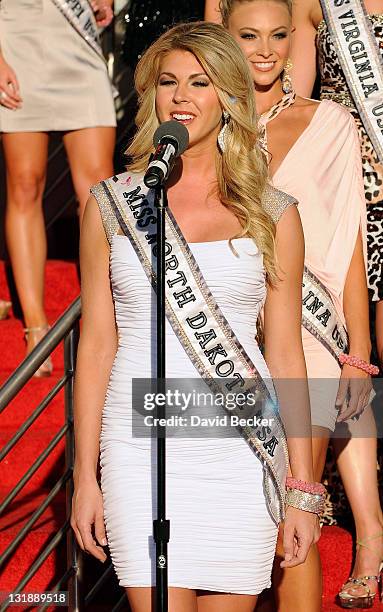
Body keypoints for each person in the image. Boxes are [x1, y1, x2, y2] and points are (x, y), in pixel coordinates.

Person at [71, 21, 321, 612]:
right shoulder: (113, 204)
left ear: (230, 100)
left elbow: (286, 354)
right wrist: (84, 477)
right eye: (167, 81)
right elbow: (97, 345)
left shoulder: (273, 214)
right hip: (139, 447)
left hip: (240, 447)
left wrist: (304, 488)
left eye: (200, 83)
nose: (180, 96)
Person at [205, 0, 381, 609]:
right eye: (248, 35)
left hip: (307, 339)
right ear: (224, 34)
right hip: (226, 333)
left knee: (293, 501)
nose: (265, 49)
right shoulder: (207, 122)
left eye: (278, 35)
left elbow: (349, 242)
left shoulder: (329, 122)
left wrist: (358, 350)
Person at [0, 0, 116, 376]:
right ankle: (37, 326)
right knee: (25, 184)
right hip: (18, 43)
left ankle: (105, 315)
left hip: (79, 48)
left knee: (101, 190)